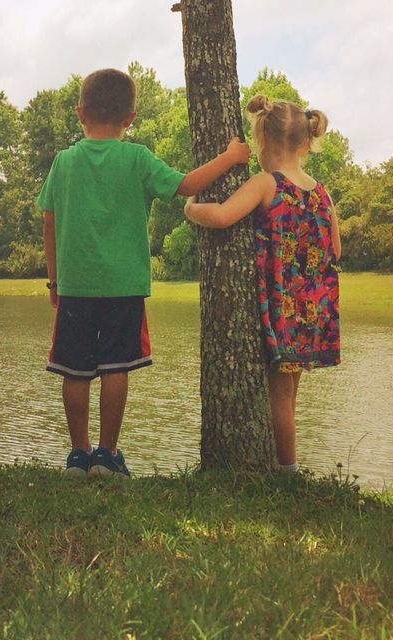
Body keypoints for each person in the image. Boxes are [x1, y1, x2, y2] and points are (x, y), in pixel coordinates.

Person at [39, 67, 249, 479]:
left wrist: (54, 280)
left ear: (80, 112)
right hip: (124, 286)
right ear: (129, 118)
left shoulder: (63, 162)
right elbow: (187, 185)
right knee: (116, 366)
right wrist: (230, 157)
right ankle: (107, 455)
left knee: (74, 369)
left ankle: (78, 456)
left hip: (76, 286)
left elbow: (48, 221)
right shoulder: (137, 158)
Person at [184, 95, 341, 471]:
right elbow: (335, 248)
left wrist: (190, 207)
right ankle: (283, 462)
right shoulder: (322, 192)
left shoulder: (266, 183)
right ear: (306, 143)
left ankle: (288, 472)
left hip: (281, 303)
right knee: (289, 390)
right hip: (314, 304)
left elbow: (222, 216)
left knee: (278, 390)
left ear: (262, 141)